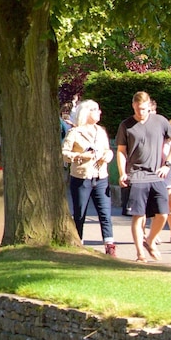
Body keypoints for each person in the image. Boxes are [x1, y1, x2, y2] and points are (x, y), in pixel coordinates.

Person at [116, 91, 171, 262]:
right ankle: (140, 253)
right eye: (137, 109)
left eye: (143, 109)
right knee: (138, 215)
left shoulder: (160, 121)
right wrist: (123, 173)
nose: (140, 112)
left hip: (156, 174)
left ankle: (150, 240)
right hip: (136, 175)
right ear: (133, 106)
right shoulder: (126, 125)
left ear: (149, 106)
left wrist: (168, 164)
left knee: (163, 213)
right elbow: (121, 151)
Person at [62, 100, 116, 256]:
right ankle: (78, 243)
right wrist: (80, 155)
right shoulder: (75, 132)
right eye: (96, 110)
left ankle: (109, 245)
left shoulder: (101, 131)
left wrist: (107, 156)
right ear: (86, 112)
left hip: (100, 176)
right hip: (81, 177)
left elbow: (108, 150)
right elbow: (64, 153)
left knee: (105, 212)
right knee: (80, 213)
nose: (100, 112)